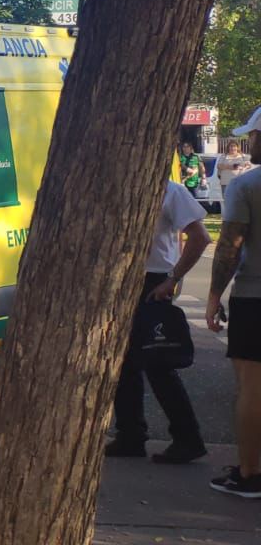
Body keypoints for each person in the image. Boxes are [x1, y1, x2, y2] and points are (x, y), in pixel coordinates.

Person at [105, 179, 210, 463]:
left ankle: (188, 438)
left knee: (158, 362)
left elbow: (200, 237)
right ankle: (130, 435)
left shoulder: (169, 189)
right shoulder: (113, 180)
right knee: (124, 361)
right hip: (121, 278)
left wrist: (172, 279)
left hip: (153, 281)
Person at [207, 105, 261, 498]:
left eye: (254, 135)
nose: (249, 142)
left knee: (251, 386)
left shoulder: (248, 186)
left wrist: (213, 297)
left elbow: (229, 248)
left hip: (255, 296)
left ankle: (249, 473)